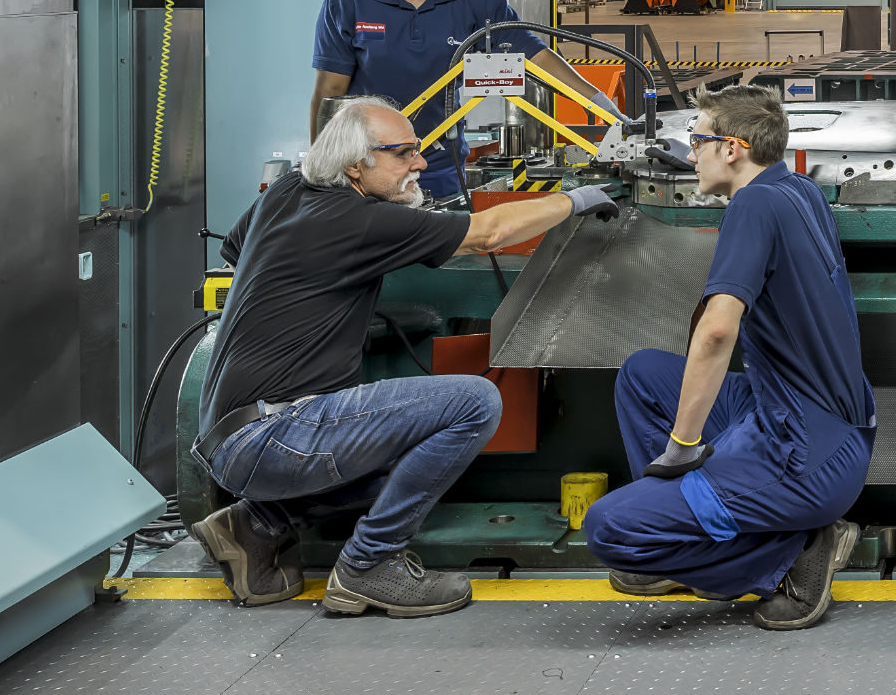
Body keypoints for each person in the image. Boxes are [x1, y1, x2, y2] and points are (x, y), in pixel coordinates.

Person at [189, 96, 617, 617]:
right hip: (276, 435)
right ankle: (370, 565)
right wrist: (577, 198)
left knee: (417, 456)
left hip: (231, 436)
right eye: (403, 154)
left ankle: (258, 525)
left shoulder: (288, 189)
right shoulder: (358, 219)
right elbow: (489, 235)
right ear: (354, 166)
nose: (419, 164)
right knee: (473, 402)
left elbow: (236, 250)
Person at [584, 86, 875, 631]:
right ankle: (693, 524)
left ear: (732, 148)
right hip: (818, 421)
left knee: (609, 529)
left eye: (697, 139)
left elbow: (717, 333)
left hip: (804, 459)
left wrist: (681, 447)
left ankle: (792, 556)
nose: (689, 151)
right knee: (644, 376)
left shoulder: (752, 204)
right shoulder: (795, 189)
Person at [311, 0, 622, 201]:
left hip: (437, 164)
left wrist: (606, 109)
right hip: (365, 169)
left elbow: (536, 57)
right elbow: (330, 92)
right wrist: (320, 176)